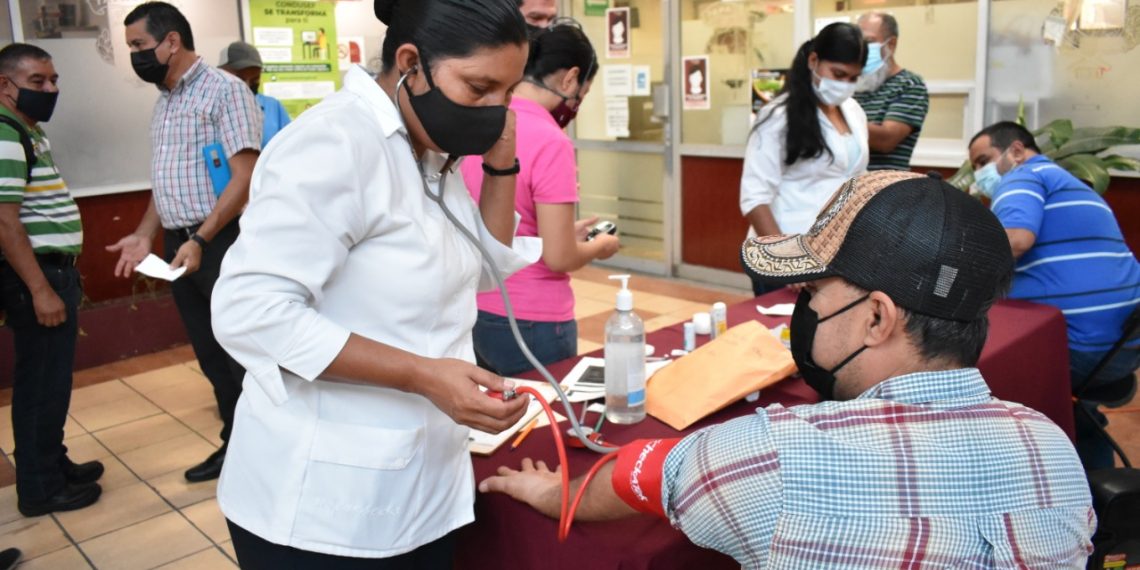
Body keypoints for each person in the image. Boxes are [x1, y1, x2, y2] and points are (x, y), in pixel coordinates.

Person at [482, 170, 1096, 568]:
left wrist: (550, 492)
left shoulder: (768, 458)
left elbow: (636, 474)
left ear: (877, 318)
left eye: (814, 291)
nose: (803, 306)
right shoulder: (1052, 449)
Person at [209, 0, 537, 564]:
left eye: (508, 93)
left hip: (420, 486)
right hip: (323, 503)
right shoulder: (335, 143)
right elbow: (251, 312)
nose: (497, 110)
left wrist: (501, 161)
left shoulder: (429, 150)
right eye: (480, 88)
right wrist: (421, 374)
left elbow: (480, 267)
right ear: (411, 64)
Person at [108, 2, 261, 483]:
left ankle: (266, 454)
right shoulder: (167, 101)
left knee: (242, 356)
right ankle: (237, 446)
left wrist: (201, 237)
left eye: (139, 45)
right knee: (211, 355)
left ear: (171, 41)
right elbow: (167, 182)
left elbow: (245, 177)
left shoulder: (225, 90)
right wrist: (144, 233)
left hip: (221, 241)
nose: (135, 56)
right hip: (182, 245)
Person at [969, 121, 1140, 470]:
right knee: (1077, 413)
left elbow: (1016, 239)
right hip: (1122, 344)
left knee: (971, 371)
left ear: (1017, 150)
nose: (980, 174)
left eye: (983, 161)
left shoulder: (1023, 175)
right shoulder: (1072, 185)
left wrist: (952, 264)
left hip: (1083, 349)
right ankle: (1089, 474)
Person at [460, 22, 619, 376]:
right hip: (535, 320)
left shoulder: (485, 123)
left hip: (476, 306)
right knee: (545, 409)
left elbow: (501, 220)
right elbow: (559, 257)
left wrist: (562, 232)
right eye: (582, 94)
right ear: (570, 79)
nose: (576, 105)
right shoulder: (552, 140)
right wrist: (600, 246)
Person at [0, 43, 103, 517]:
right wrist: (40, 290)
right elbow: (5, 223)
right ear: (5, 86)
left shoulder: (28, 130)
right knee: (41, 385)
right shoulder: (6, 134)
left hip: (53, 272)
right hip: (36, 277)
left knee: (53, 382)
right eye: (37, 81)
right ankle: (40, 489)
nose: (50, 89)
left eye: (54, 80)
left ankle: (52, 463)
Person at [739, 23, 868, 296]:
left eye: (853, 78)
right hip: (785, 253)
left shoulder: (854, 111)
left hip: (835, 253)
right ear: (813, 61)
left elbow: (856, 179)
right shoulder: (777, 116)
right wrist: (786, 259)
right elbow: (754, 197)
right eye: (838, 74)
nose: (844, 85)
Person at [853, 12, 929, 171]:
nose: (861, 48)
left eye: (869, 41)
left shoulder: (909, 85)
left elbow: (886, 140)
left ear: (891, 44)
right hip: (851, 183)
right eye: (858, 42)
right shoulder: (853, 84)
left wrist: (839, 120)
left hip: (887, 183)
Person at [218, 41, 291, 147]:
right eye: (240, 79)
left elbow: (291, 145)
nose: (247, 86)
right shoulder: (210, 106)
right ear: (221, 71)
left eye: (255, 79)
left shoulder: (272, 106)